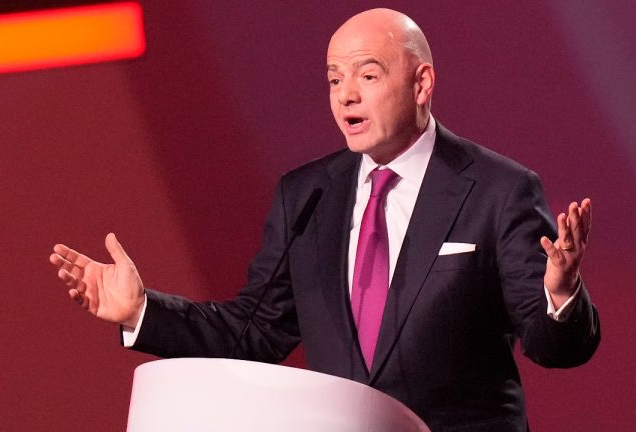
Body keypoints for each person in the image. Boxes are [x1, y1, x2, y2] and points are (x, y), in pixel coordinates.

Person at [50, 8, 599, 432]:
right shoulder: (307, 194)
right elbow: (254, 332)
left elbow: (555, 347)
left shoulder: (498, 190)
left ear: (422, 84)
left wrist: (562, 294)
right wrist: (141, 311)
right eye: (334, 79)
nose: (346, 96)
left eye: (367, 75)